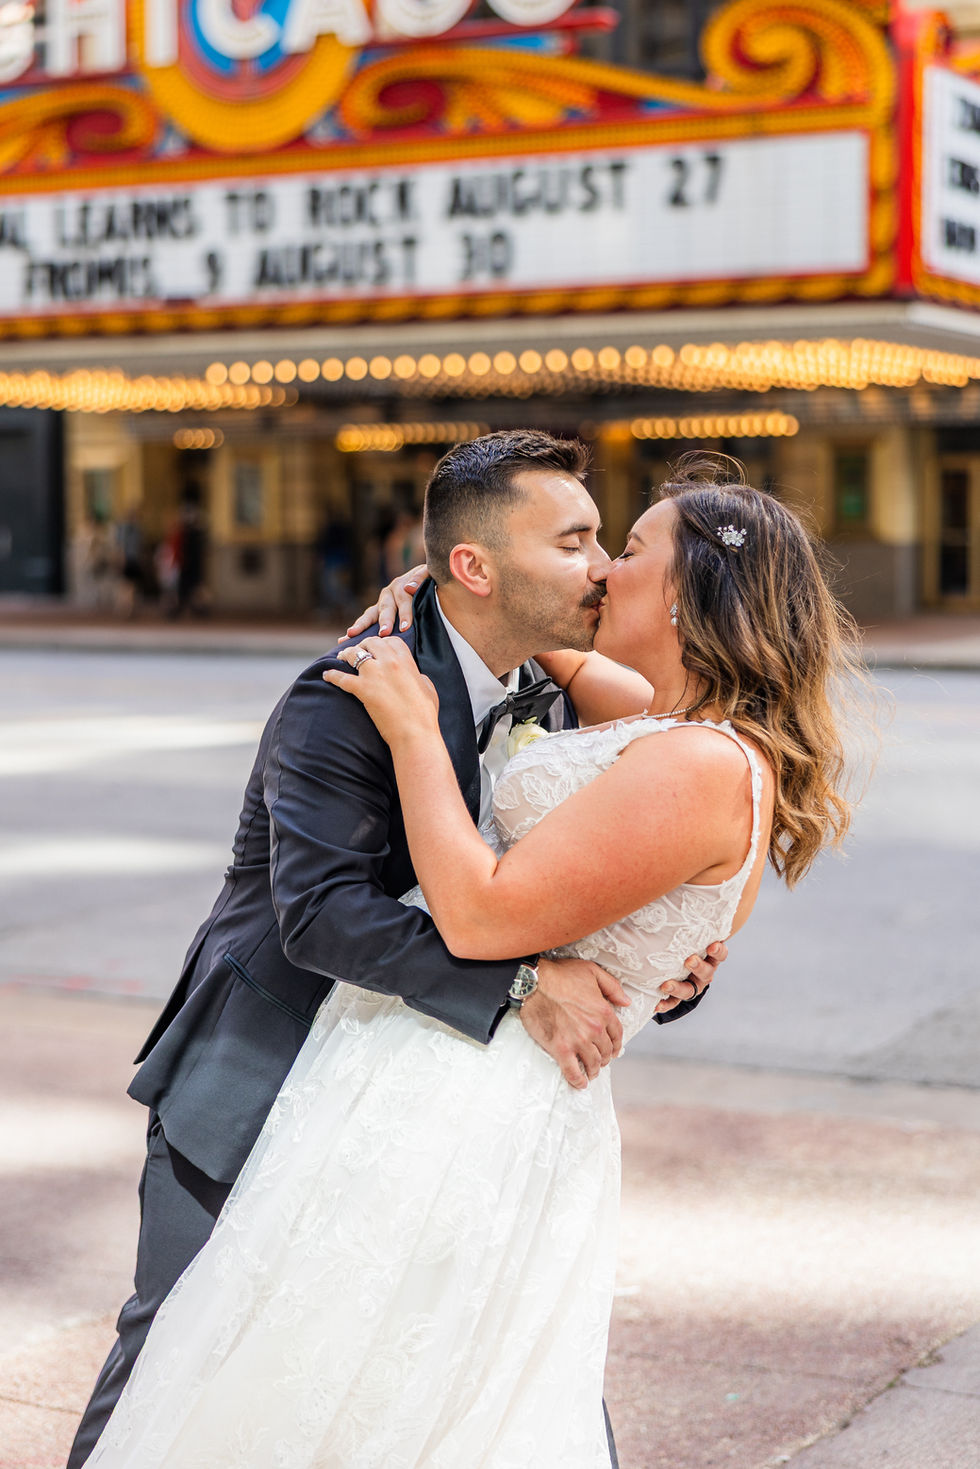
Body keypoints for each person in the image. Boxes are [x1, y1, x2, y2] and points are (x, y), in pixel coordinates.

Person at [82, 448, 860, 1467]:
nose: (600, 567)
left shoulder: (596, 703)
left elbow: (621, 882)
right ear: (478, 566)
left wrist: (657, 968)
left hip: (467, 1101)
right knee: (180, 1360)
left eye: (616, 545)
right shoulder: (355, 689)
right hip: (265, 1064)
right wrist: (532, 981)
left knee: (481, 1385)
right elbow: (320, 915)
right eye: (578, 542)